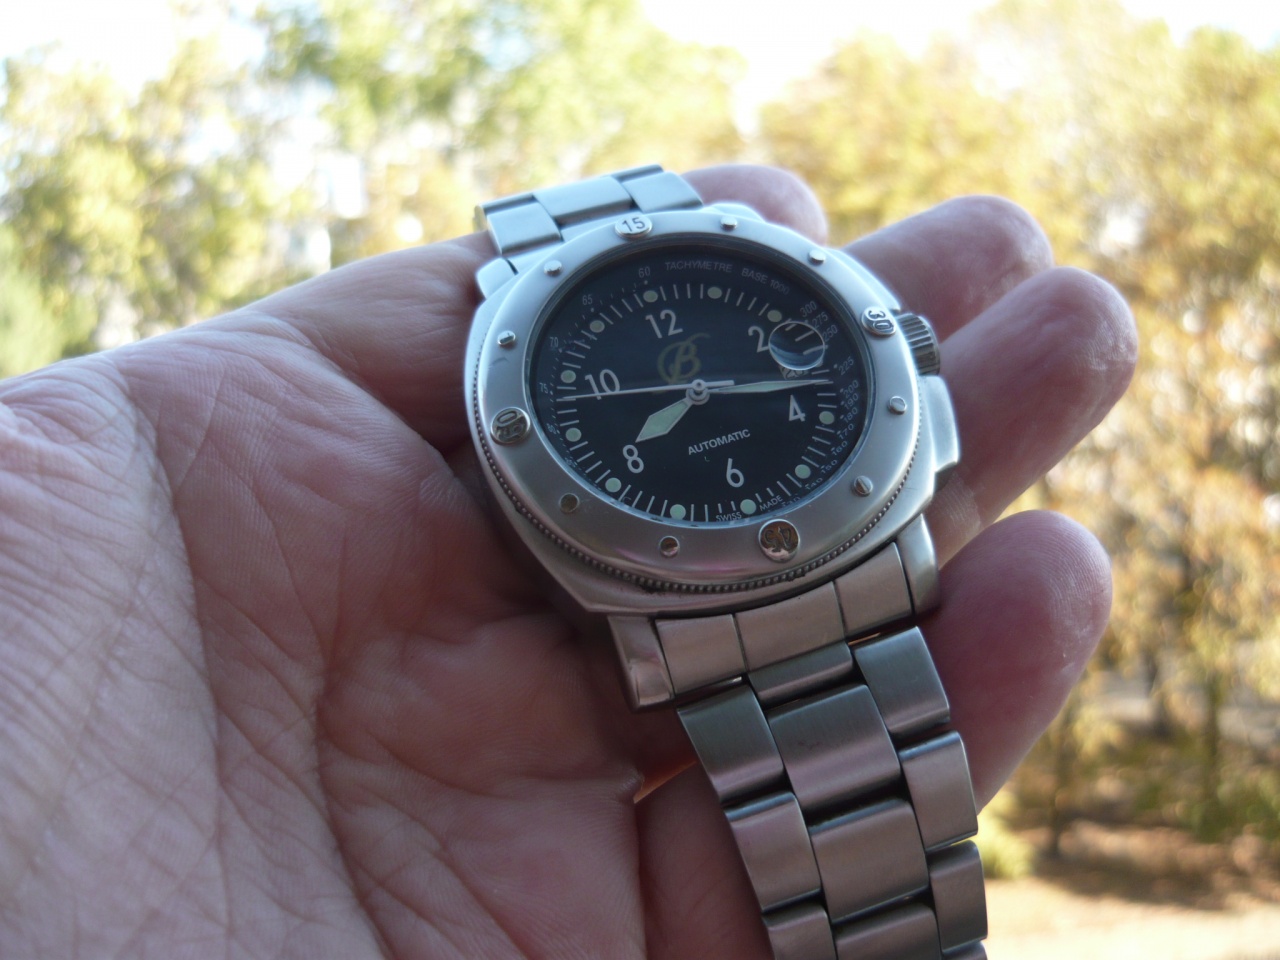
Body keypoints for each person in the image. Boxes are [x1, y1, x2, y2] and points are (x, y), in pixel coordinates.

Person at [0, 164, 1135, 958]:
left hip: (856, 538)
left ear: (908, 373)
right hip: (688, 603)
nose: (698, 390)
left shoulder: (856, 378)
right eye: (677, 390)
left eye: (712, 375)